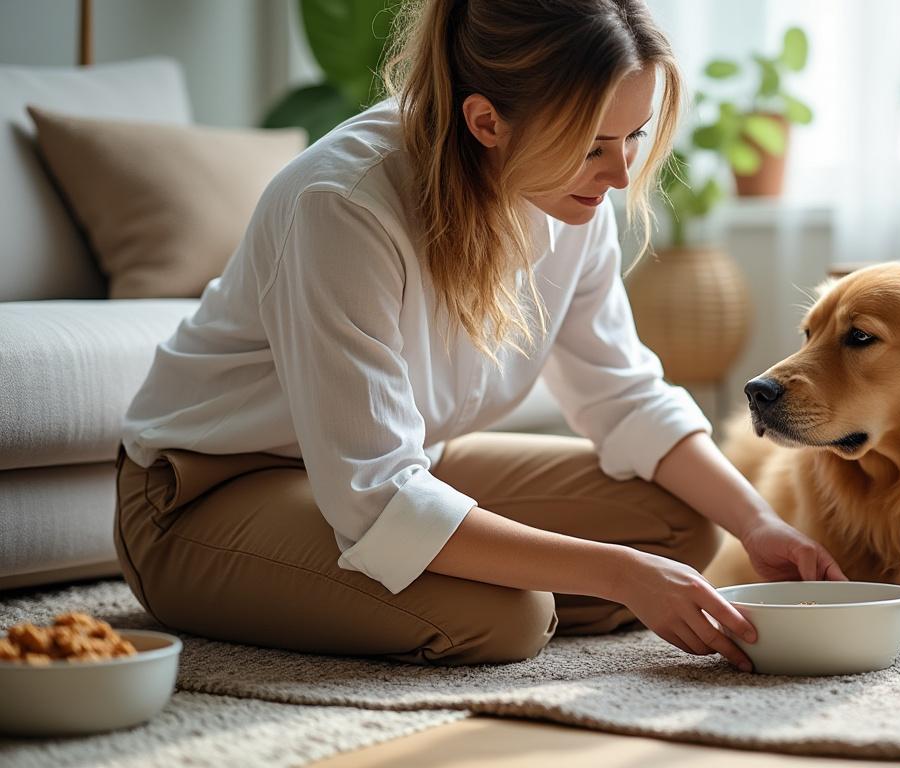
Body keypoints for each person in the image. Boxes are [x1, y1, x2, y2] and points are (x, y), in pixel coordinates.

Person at [115, 0, 846, 673]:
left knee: (682, 526)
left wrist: (759, 523)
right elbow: (374, 497)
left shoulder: (565, 199)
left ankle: (441, 584)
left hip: (400, 468)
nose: (621, 174)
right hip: (204, 493)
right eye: (594, 145)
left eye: (634, 138)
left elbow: (624, 397)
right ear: (486, 121)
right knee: (506, 616)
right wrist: (615, 574)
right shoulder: (341, 205)